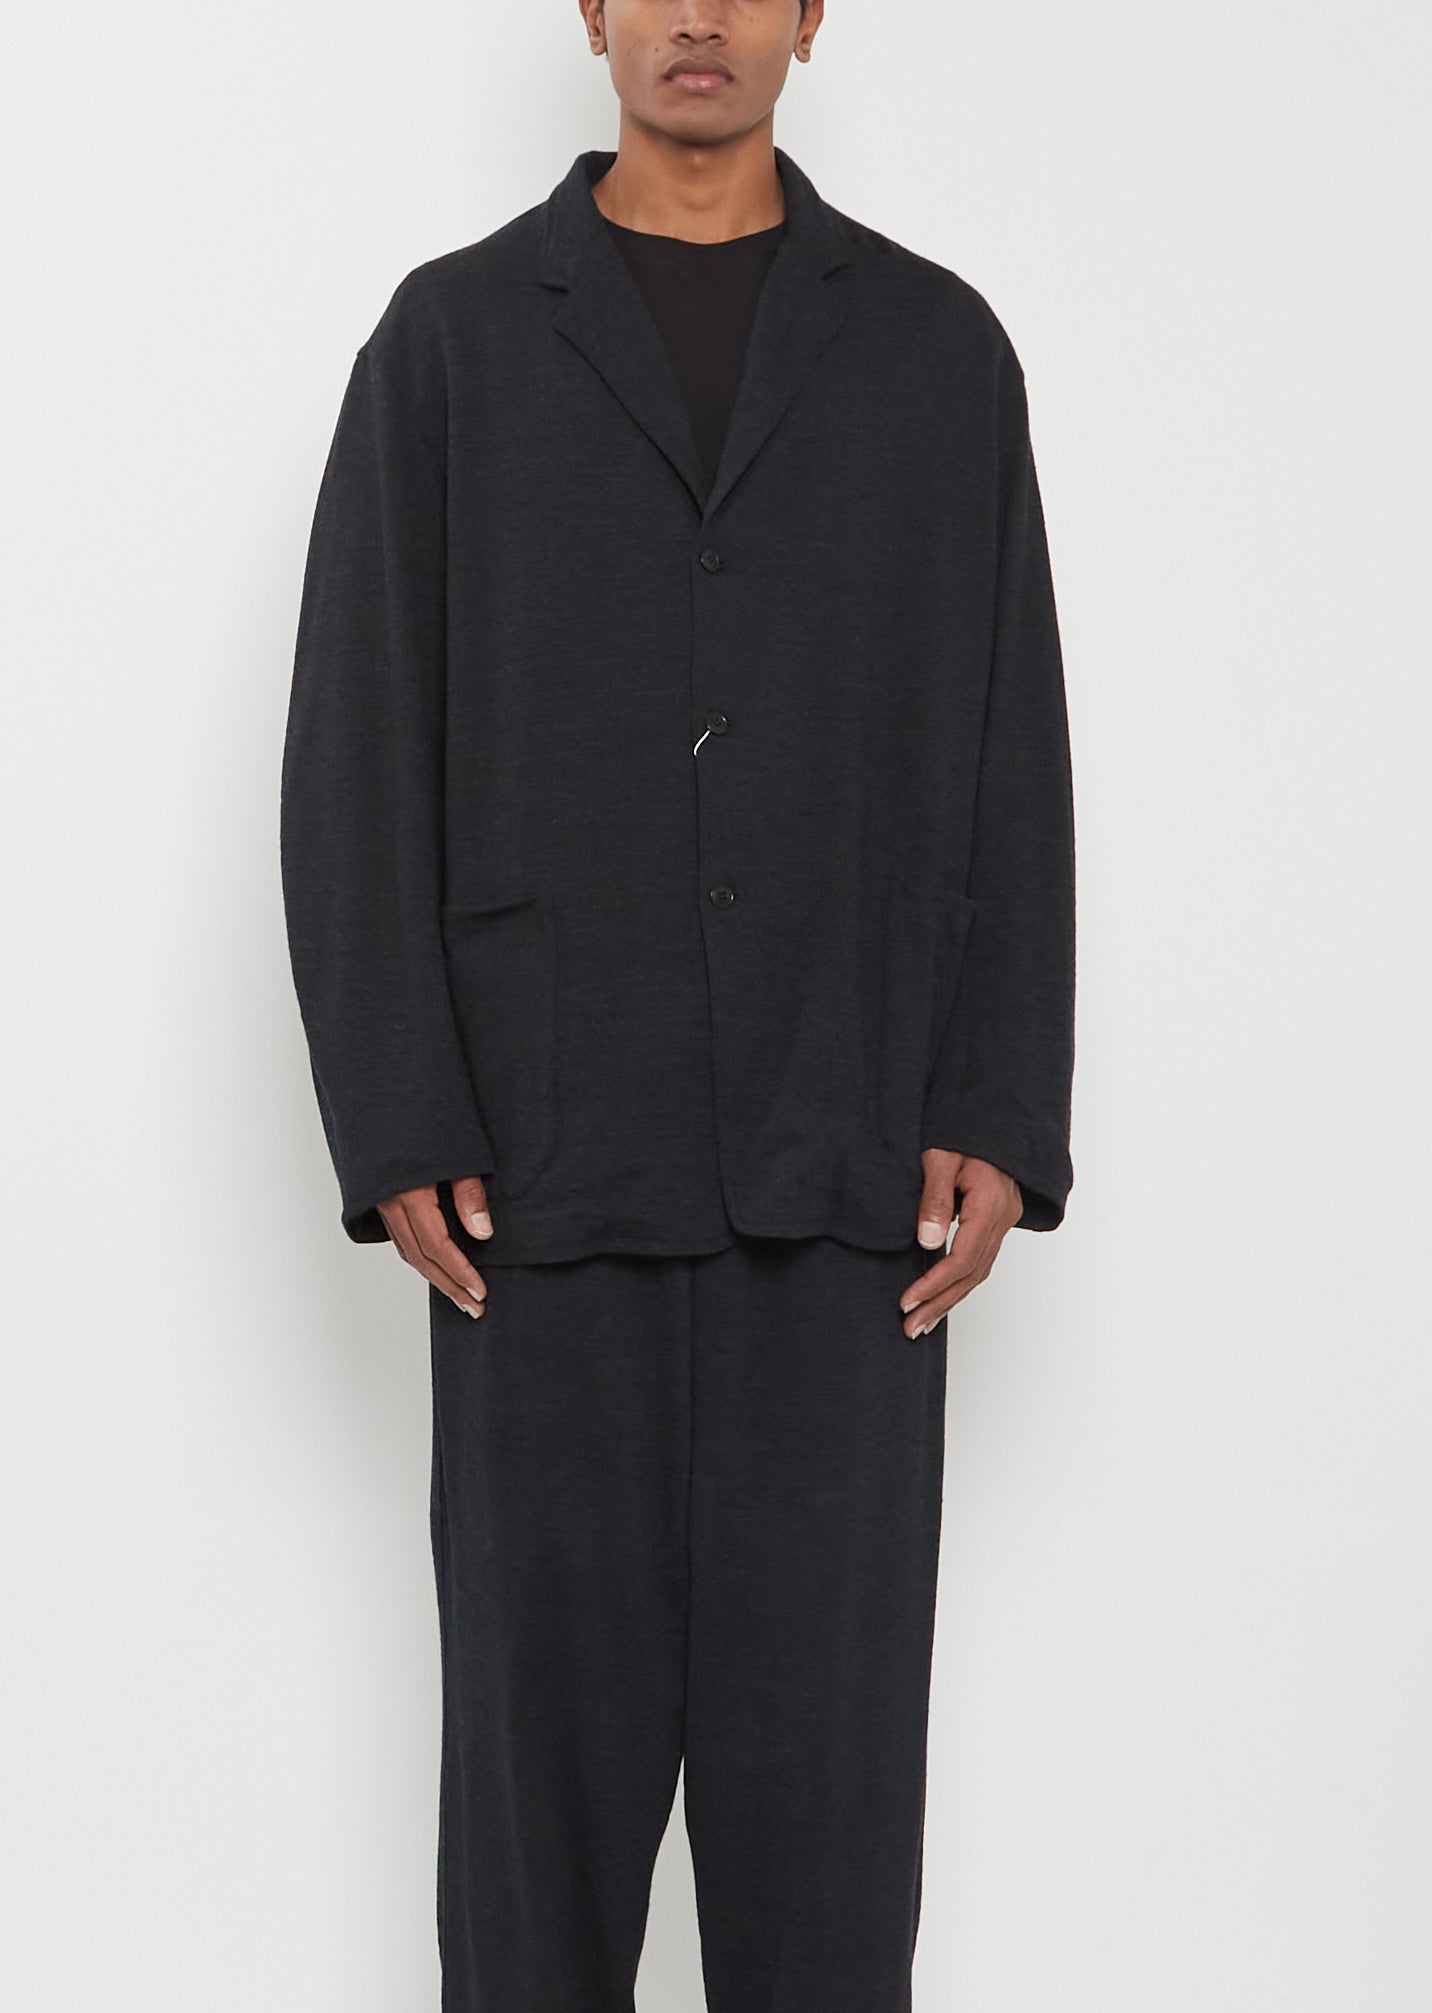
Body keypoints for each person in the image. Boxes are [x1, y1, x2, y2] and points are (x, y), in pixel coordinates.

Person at [279, 1, 1075, 2005]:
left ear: (811, 15)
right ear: (589, 8)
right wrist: (398, 1112)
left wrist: (998, 1098)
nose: (696, 15)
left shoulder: (935, 354)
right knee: (533, 1853)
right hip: (541, 1186)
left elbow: (1012, 743)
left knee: (826, 1853)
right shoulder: (450, 348)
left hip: (848, 1186)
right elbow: (356, 741)